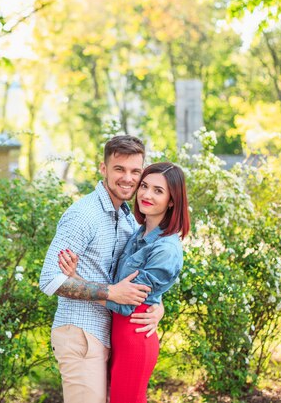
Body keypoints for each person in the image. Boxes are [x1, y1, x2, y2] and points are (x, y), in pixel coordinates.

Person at [38, 135, 165, 403]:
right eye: (119, 169)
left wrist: (158, 307)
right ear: (103, 169)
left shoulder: (130, 221)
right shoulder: (83, 215)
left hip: (114, 335)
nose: (127, 178)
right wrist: (110, 292)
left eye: (135, 171)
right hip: (81, 334)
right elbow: (49, 279)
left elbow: (142, 278)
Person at [59, 162, 190, 403]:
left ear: (172, 200)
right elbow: (141, 290)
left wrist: (77, 280)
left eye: (158, 191)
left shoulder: (166, 248)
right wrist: (158, 304)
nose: (146, 195)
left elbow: (127, 302)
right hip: (117, 333)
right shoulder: (137, 232)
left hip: (134, 335)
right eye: (145, 186)